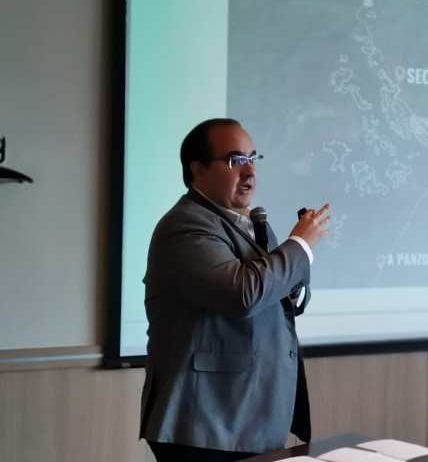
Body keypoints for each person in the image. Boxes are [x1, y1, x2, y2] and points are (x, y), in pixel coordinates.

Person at [139, 118, 331, 461]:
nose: (250, 172)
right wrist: (301, 245)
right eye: (235, 160)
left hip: (246, 417)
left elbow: (273, 289)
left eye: (253, 159)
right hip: (205, 424)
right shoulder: (185, 226)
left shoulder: (252, 224)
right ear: (197, 170)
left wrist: (293, 287)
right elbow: (242, 295)